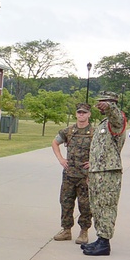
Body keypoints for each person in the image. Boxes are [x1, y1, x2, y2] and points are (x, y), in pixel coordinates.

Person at [81, 93, 127, 256]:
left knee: (106, 206)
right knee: (97, 206)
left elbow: (116, 117)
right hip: (98, 172)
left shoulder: (116, 120)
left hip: (108, 173)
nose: (99, 105)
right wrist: (91, 168)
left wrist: (110, 108)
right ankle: (100, 239)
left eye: (103, 103)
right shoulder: (103, 123)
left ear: (111, 103)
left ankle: (105, 242)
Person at [51, 103, 93, 244]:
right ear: (76, 114)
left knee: (85, 205)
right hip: (69, 175)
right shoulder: (68, 131)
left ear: (89, 115)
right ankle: (66, 230)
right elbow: (55, 143)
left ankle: (84, 232)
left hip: (85, 176)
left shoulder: (94, 132)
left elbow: (103, 150)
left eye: (84, 112)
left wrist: (94, 163)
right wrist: (61, 159)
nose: (81, 115)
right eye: (79, 112)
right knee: (66, 202)